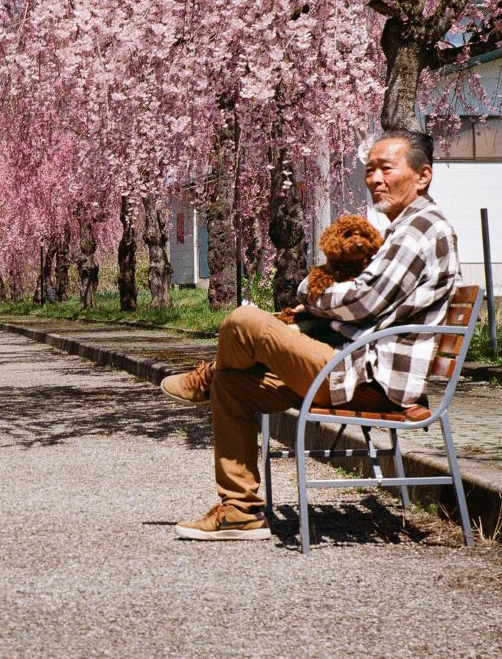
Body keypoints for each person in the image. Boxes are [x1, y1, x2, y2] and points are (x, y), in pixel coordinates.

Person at [160, 130, 459, 541]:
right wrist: (324, 303)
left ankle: (208, 372)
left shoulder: (420, 228)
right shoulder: (403, 229)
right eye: (369, 170)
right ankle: (240, 512)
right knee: (232, 386)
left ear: (422, 176)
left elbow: (363, 299)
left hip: (368, 379)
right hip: (349, 365)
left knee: (243, 321)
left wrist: (310, 294)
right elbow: (359, 298)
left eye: (385, 169)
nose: (374, 179)